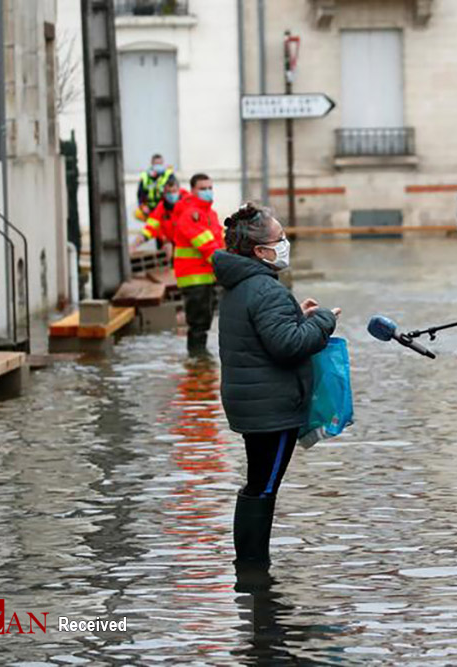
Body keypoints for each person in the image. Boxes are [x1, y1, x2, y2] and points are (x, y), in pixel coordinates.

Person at [213, 202, 339, 570]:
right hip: (272, 408)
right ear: (260, 251)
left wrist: (295, 315)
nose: (285, 243)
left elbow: (266, 333)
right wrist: (326, 321)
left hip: (252, 402)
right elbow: (288, 346)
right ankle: (253, 569)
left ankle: (251, 571)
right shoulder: (264, 289)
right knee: (262, 488)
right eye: (279, 238)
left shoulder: (244, 285)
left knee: (257, 483)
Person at [173, 173, 224, 356]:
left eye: (210, 188)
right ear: (193, 190)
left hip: (205, 276)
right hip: (193, 277)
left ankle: (199, 361)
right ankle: (197, 359)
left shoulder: (209, 213)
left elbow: (219, 243)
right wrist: (227, 265)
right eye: (203, 189)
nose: (208, 192)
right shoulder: (191, 215)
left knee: (204, 320)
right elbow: (207, 246)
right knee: (198, 322)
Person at [129, 175, 190, 251]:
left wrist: (173, 244)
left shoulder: (189, 205)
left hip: (186, 251)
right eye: (168, 192)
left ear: (179, 191)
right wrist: (134, 245)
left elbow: (191, 231)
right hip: (167, 248)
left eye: (174, 191)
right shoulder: (160, 208)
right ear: (164, 192)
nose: (171, 195)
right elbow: (150, 228)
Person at [136, 153, 174, 221]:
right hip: (150, 207)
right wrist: (143, 206)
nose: (158, 166)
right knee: (137, 213)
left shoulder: (168, 175)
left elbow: (174, 191)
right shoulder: (145, 176)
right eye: (156, 164)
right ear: (152, 164)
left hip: (165, 206)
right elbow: (140, 194)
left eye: (160, 163)